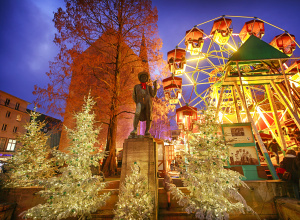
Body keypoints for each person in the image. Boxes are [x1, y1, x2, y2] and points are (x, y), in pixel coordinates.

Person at [130, 71, 157, 137]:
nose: (143, 78)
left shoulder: (149, 87)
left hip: (148, 104)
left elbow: (153, 94)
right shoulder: (136, 87)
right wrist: (137, 102)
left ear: (147, 79)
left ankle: (147, 130)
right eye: (142, 77)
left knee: (148, 116)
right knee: (137, 113)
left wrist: (155, 86)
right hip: (139, 103)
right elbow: (134, 95)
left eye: (145, 77)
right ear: (140, 78)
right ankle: (135, 129)